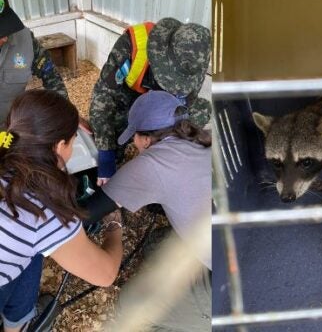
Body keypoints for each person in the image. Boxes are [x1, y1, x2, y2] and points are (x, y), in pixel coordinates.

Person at [83, 90, 211, 330]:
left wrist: (113, 222)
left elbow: (86, 213)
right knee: (157, 246)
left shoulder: (151, 165)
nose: (134, 144)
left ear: (145, 139)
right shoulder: (203, 138)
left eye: (134, 137)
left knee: (130, 304)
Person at [0, 90, 122, 332]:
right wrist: (114, 227)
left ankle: (18, 318)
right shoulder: (40, 210)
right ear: (59, 146)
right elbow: (106, 275)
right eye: (73, 139)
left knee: (31, 253)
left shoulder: (6, 141)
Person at [89, 17, 211, 186]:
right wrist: (106, 153)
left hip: (161, 106)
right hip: (130, 97)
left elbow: (183, 108)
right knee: (114, 135)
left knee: (200, 112)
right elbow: (103, 96)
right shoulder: (134, 45)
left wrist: (163, 146)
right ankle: (115, 157)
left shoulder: (194, 61)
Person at [0, 0, 68, 122]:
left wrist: (65, 113)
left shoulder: (24, 39)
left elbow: (51, 76)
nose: (5, 37)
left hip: (15, 127)